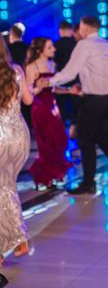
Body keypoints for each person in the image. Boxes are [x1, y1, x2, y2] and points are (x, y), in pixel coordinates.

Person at [47, 16, 108, 194]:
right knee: (102, 138)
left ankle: (88, 183)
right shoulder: (107, 45)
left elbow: (69, 73)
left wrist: (49, 81)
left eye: (80, 27)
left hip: (94, 101)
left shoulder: (84, 45)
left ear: (84, 28)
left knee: (85, 140)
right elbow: (101, 73)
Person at [0, 36, 33, 265]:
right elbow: (28, 100)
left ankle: (17, 239)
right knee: (7, 187)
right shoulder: (17, 71)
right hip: (20, 137)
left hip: (1, 138)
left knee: (3, 188)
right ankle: (12, 242)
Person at [25, 37, 72, 189]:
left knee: (59, 140)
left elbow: (54, 88)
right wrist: (39, 87)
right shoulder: (31, 67)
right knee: (46, 144)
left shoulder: (53, 65)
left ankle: (55, 173)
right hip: (40, 108)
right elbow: (28, 92)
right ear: (40, 50)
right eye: (50, 47)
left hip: (53, 107)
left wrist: (69, 90)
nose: (54, 49)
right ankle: (45, 177)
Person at [54, 21, 77, 124]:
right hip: (75, 79)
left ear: (60, 31)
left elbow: (53, 64)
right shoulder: (77, 45)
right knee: (76, 109)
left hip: (60, 79)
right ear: (71, 31)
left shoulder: (55, 45)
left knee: (61, 108)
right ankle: (75, 128)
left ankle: (62, 127)